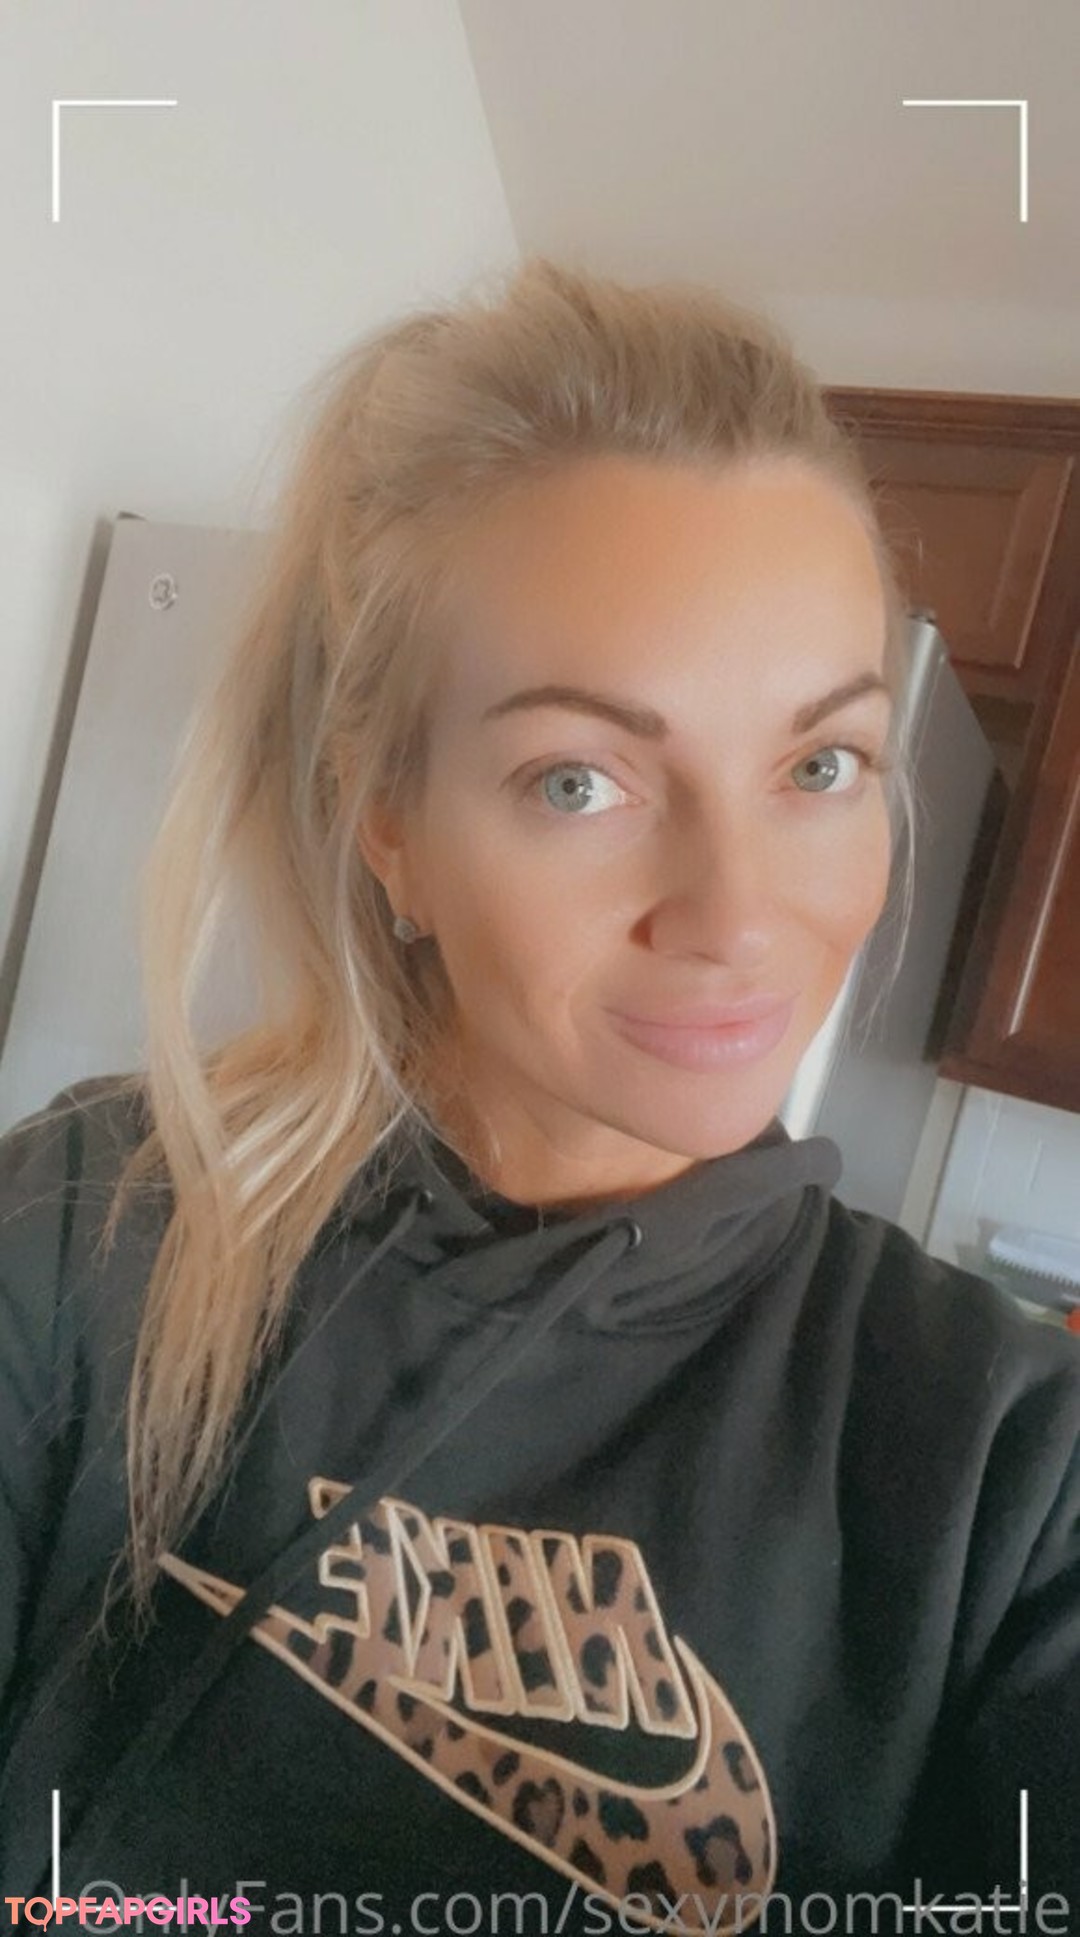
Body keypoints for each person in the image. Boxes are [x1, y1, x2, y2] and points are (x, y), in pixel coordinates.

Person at [0, 257, 1077, 1937]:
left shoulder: (1006, 1476)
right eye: (581, 779)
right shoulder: (86, 1233)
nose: (737, 915)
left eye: (818, 766)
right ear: (392, 825)